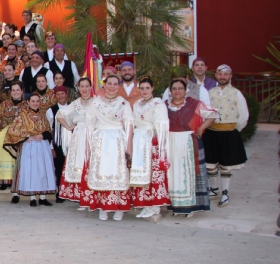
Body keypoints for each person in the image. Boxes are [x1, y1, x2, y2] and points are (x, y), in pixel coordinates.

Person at [83, 76, 134, 221]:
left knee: (119, 173)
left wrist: (128, 148)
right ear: (104, 85)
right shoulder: (96, 102)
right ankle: (102, 207)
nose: (112, 87)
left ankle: (120, 208)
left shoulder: (124, 103)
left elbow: (129, 125)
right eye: (109, 84)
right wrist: (89, 145)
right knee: (101, 172)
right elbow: (90, 124)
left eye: (115, 84)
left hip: (118, 140)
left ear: (119, 86)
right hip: (100, 140)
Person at [166, 79, 218, 216]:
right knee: (173, 174)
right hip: (171, 143)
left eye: (180, 88)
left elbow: (213, 114)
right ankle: (175, 205)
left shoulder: (195, 104)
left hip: (189, 143)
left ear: (185, 90)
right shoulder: (164, 105)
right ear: (170, 91)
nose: (177, 91)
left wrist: (201, 127)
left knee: (189, 174)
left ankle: (191, 207)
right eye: (174, 88)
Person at [203, 64, 249, 207]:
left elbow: (243, 115)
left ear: (230, 76)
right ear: (216, 75)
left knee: (226, 166)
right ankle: (214, 190)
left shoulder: (236, 93)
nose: (222, 77)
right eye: (220, 74)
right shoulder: (210, 92)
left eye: (225, 74)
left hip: (229, 134)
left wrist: (233, 130)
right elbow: (205, 111)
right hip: (211, 133)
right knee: (210, 165)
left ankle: (225, 193)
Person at [128, 77, 171, 219]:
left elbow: (163, 125)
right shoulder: (137, 104)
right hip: (138, 140)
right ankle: (146, 204)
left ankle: (155, 206)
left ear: (152, 88)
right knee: (141, 173)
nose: (144, 91)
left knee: (154, 175)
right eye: (142, 88)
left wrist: (160, 145)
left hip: (151, 141)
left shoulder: (158, 104)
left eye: (147, 88)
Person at [3, 93, 55, 207]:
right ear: (28, 102)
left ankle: (42, 197)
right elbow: (13, 130)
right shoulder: (22, 115)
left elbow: (48, 130)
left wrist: (42, 135)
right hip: (29, 147)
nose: (35, 103)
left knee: (43, 171)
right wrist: (25, 138)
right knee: (31, 172)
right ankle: (32, 197)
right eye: (33, 101)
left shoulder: (42, 115)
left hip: (42, 147)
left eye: (37, 101)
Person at [56, 78, 94, 207]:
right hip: (78, 136)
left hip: (93, 136)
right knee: (79, 165)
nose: (84, 89)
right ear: (78, 88)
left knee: (91, 165)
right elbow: (60, 114)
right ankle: (81, 197)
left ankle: (91, 197)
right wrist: (69, 127)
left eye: (86, 86)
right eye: (81, 86)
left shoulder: (96, 102)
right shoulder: (75, 103)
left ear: (90, 87)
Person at [0, 82, 25, 194]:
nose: (16, 92)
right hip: (4, 133)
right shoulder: (4, 104)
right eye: (13, 90)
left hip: (20, 135)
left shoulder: (26, 105)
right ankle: (4, 181)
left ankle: (15, 180)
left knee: (16, 159)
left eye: (18, 90)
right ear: (10, 92)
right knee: (3, 157)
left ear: (22, 91)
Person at [46, 85, 69, 202]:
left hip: (71, 142)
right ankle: (60, 192)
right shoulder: (51, 110)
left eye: (62, 94)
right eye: (58, 94)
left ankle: (71, 193)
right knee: (59, 167)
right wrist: (51, 147)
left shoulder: (73, 107)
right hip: (58, 143)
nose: (60, 96)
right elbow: (49, 129)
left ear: (67, 95)